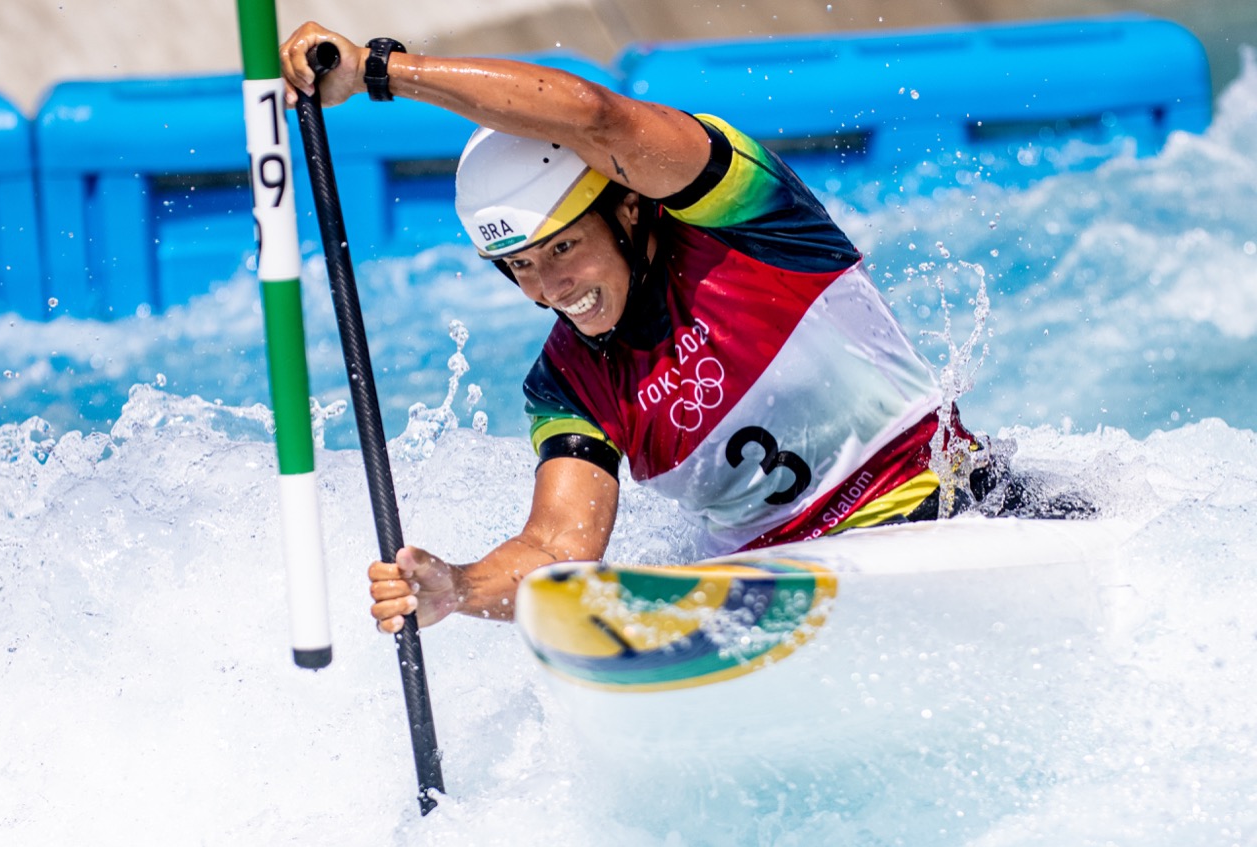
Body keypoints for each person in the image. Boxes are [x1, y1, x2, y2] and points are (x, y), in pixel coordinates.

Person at [279, 22, 990, 634]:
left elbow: (595, 114)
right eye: (519, 265)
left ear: (624, 209)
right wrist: (458, 588)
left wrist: (384, 71)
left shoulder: (743, 216)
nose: (551, 286)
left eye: (563, 247)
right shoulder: (567, 384)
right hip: (785, 598)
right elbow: (559, 547)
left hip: (953, 513)